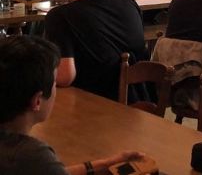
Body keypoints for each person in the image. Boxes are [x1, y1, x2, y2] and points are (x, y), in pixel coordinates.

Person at [0, 35, 144, 175]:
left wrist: (105, 165)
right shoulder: (32, 156)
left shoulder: (19, 154)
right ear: (37, 101)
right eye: (55, 83)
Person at [44, 0, 147, 101]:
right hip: (142, 100)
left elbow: (65, 77)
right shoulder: (128, 2)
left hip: (96, 104)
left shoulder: (60, 16)